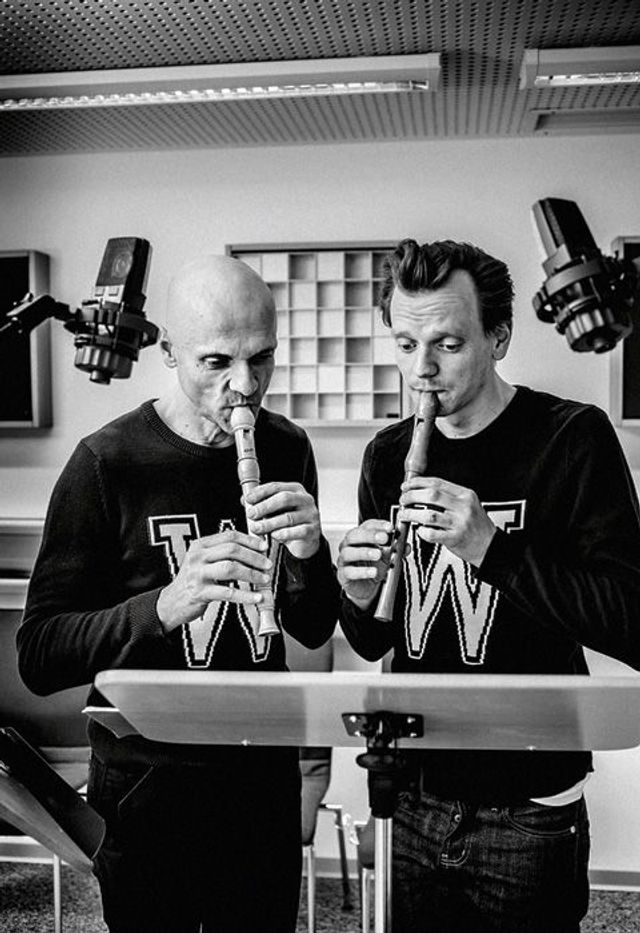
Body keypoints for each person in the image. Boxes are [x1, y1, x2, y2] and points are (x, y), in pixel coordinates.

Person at [17, 255, 339, 933]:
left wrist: (312, 553)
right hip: (145, 783)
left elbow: (312, 626)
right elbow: (40, 655)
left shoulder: (287, 446)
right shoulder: (105, 462)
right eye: (216, 362)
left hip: (260, 775)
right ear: (168, 353)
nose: (245, 386)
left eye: (262, 358)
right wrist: (164, 605)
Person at [337, 238, 640, 932]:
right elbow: (374, 639)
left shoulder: (572, 438)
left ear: (499, 338)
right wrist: (356, 591)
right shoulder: (387, 455)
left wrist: (491, 549)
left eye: (447, 344)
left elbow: (630, 619)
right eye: (406, 344)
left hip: (530, 805)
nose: (422, 369)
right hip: (412, 796)